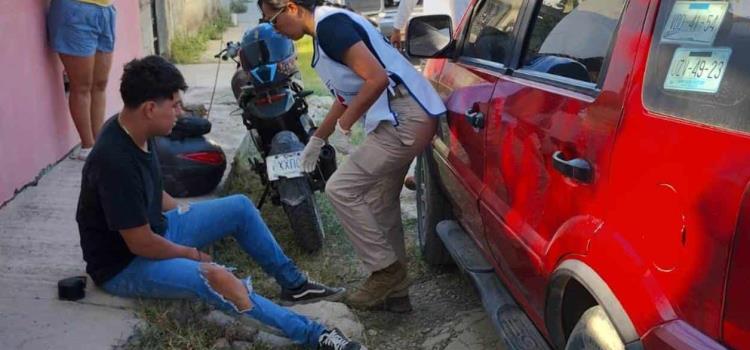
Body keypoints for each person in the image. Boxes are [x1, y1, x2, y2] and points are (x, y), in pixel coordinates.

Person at [76, 55, 363, 350]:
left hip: (155, 232)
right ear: (150, 108)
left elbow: (153, 191)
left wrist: (190, 217)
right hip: (124, 265)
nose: (180, 112)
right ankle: (316, 336)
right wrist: (193, 255)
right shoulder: (115, 162)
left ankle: (295, 285)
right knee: (214, 278)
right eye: (174, 105)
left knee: (238, 206)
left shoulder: (136, 130)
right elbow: (140, 244)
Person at [257, 0, 446, 311]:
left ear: (290, 8)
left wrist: (346, 124)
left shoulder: (330, 26)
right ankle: (396, 295)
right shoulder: (326, 31)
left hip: (405, 119)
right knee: (379, 204)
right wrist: (317, 139)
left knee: (340, 188)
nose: (274, 29)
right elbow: (345, 96)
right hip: (404, 116)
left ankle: (384, 270)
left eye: (273, 21)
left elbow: (376, 79)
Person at [47, 0, 117, 160]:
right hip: (76, 10)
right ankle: (88, 146)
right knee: (82, 86)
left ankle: (99, 143)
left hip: (105, 9)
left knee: (100, 83)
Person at [389, 0, 471, 49]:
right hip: (459, 37)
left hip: (440, 37)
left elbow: (408, 2)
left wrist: (397, 29)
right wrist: (397, 29)